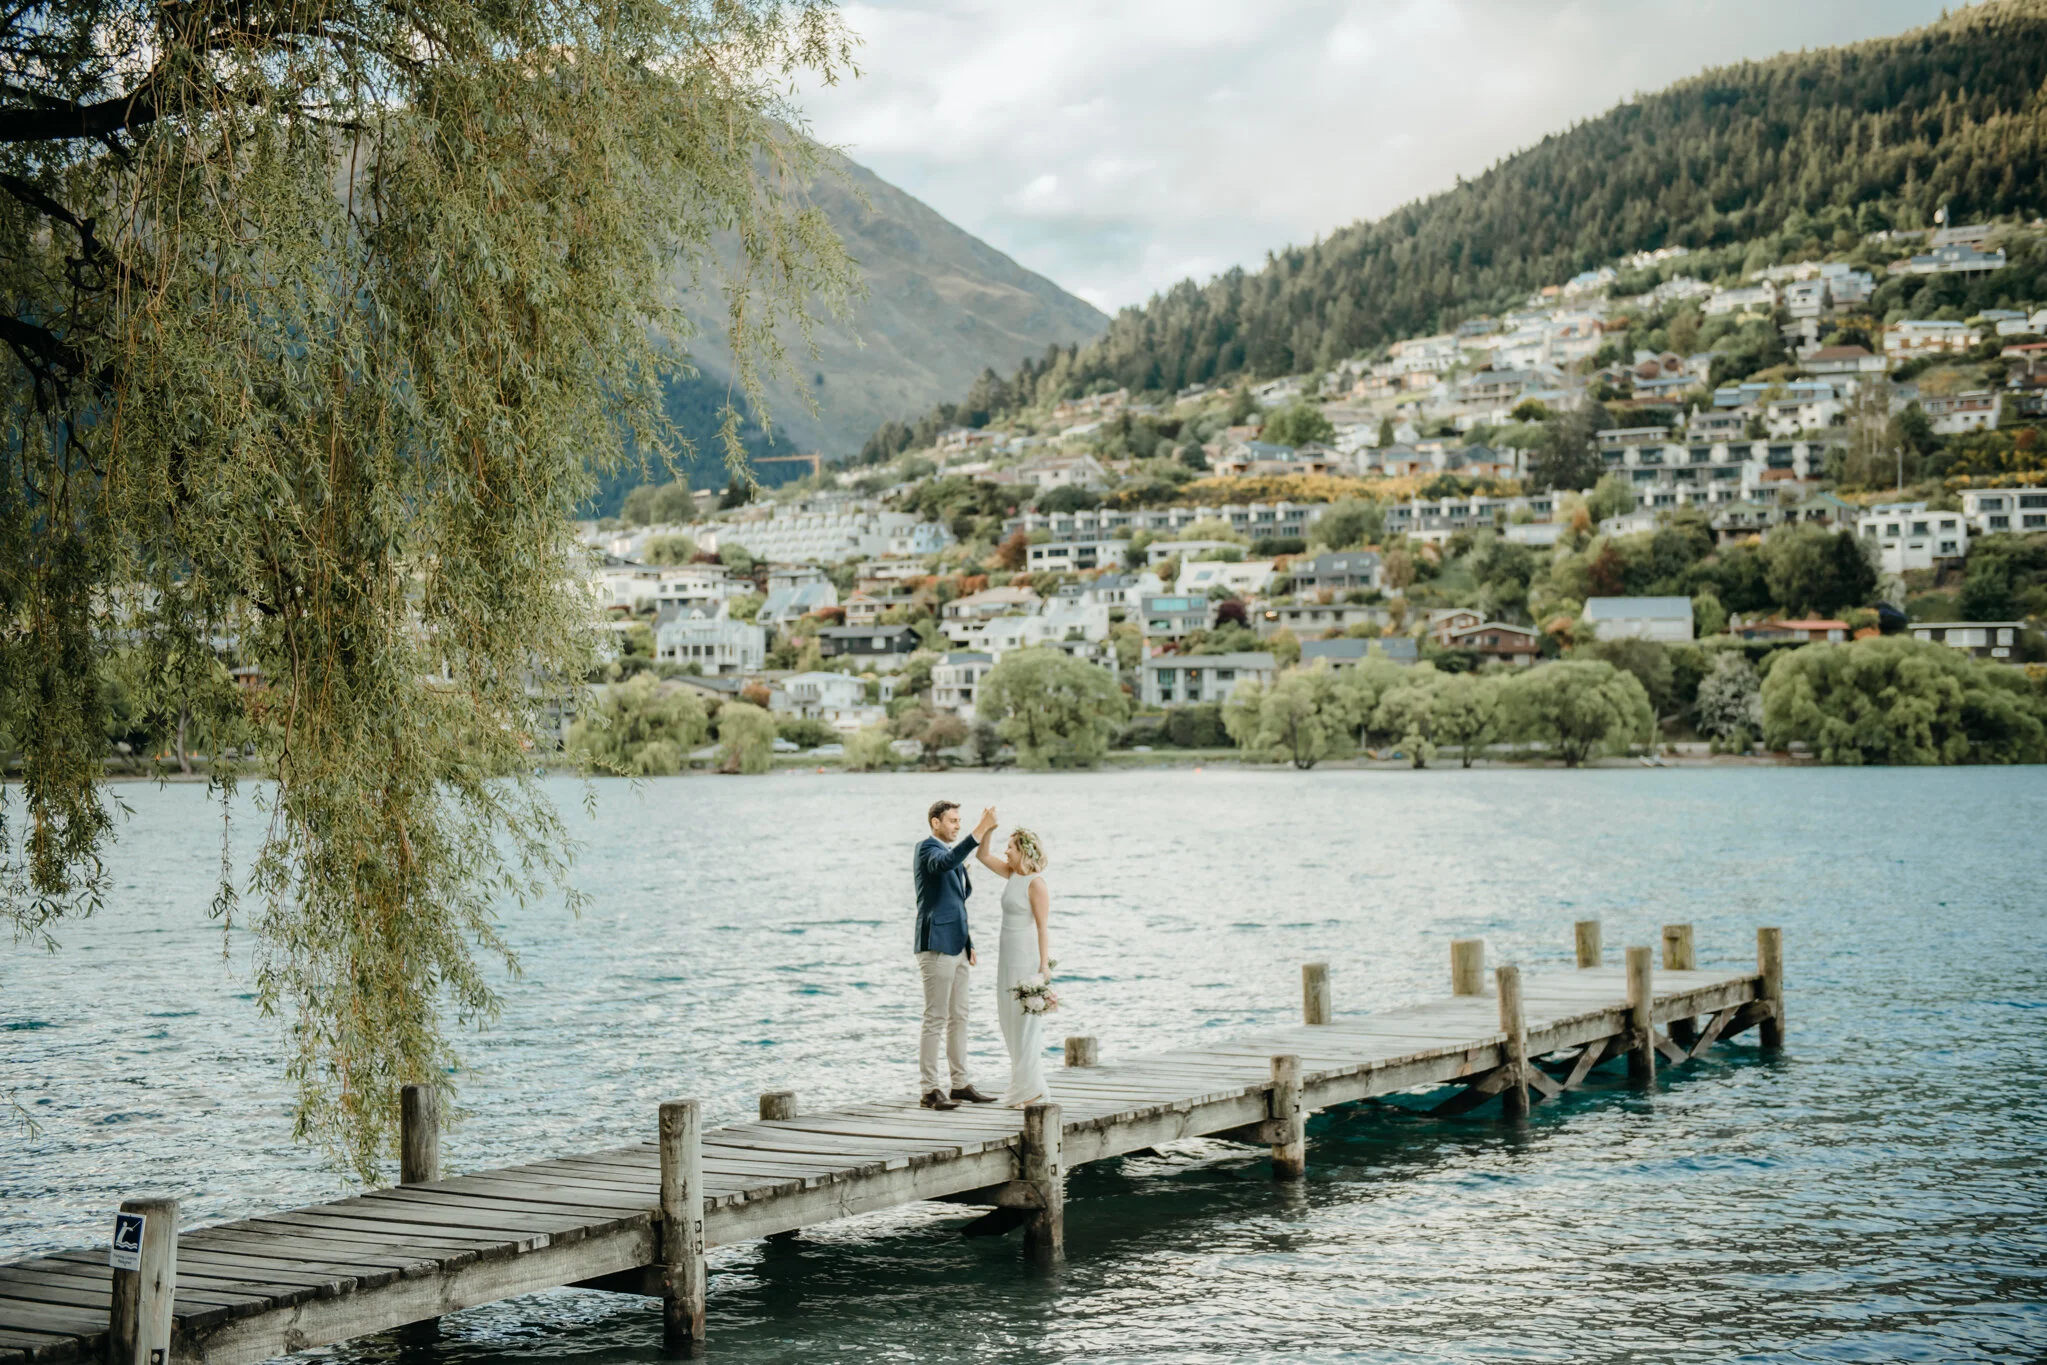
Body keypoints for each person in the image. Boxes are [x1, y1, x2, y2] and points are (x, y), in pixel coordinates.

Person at [912, 800, 1000, 1111]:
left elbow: (958, 903)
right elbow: (946, 863)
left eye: (960, 821)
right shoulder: (927, 849)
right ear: (935, 823)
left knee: (960, 1017)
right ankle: (929, 1089)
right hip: (935, 944)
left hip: (958, 945)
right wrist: (981, 829)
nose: (957, 826)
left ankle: (960, 1084)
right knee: (935, 1018)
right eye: (952, 821)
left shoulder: (950, 855)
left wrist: (970, 942)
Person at [976, 827, 1053, 1108]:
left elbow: (1043, 928)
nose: (1005, 851)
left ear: (1023, 850)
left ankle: (1030, 1090)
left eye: (1010, 847)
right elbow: (982, 854)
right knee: (1008, 1020)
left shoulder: (1036, 884)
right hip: (1006, 956)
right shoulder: (1012, 875)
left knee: (1025, 1023)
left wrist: (1044, 966)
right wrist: (987, 829)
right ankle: (1023, 1084)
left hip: (1025, 957)